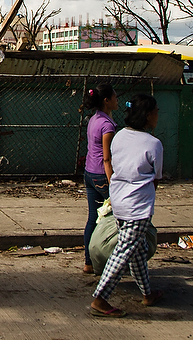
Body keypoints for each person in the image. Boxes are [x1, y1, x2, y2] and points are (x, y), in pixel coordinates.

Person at [89, 93, 164, 318]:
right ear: (148, 115)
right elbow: (156, 177)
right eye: (156, 112)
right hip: (137, 208)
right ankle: (100, 298)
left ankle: (147, 293)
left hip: (119, 201)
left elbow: (112, 162)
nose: (158, 115)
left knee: (137, 250)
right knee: (123, 251)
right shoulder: (154, 144)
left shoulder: (120, 136)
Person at [82, 83, 118, 274]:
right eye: (115, 97)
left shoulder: (94, 119)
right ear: (107, 100)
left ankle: (89, 262)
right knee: (111, 219)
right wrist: (112, 182)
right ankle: (108, 260)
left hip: (89, 172)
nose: (117, 100)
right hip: (101, 175)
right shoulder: (107, 126)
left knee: (92, 218)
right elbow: (107, 157)